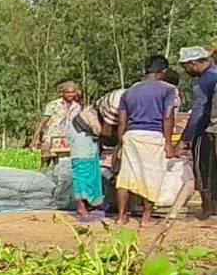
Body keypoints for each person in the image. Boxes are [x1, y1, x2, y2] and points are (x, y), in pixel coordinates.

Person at [116, 55, 178, 227]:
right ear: (162, 72)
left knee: (126, 177)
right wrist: (168, 143)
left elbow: (122, 121)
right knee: (152, 176)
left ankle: (121, 217)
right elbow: (168, 117)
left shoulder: (129, 91)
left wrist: (121, 144)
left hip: (131, 135)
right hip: (153, 135)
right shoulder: (168, 90)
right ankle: (146, 218)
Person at [180, 46, 217, 220]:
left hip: (206, 130)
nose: (186, 71)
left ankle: (207, 209)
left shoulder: (204, 80)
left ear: (193, 64)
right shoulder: (214, 75)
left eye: (186, 67)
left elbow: (198, 110)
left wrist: (187, 136)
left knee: (203, 169)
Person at [65, 103, 103, 220]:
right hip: (80, 131)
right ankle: (81, 206)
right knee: (83, 166)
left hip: (91, 134)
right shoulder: (116, 104)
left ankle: (89, 204)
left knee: (93, 168)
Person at [33, 82, 81, 166]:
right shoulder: (54, 104)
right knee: (45, 162)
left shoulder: (77, 107)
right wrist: (35, 139)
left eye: (73, 92)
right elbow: (43, 122)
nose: (70, 95)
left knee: (61, 165)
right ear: (62, 93)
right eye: (68, 92)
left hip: (66, 141)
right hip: (51, 138)